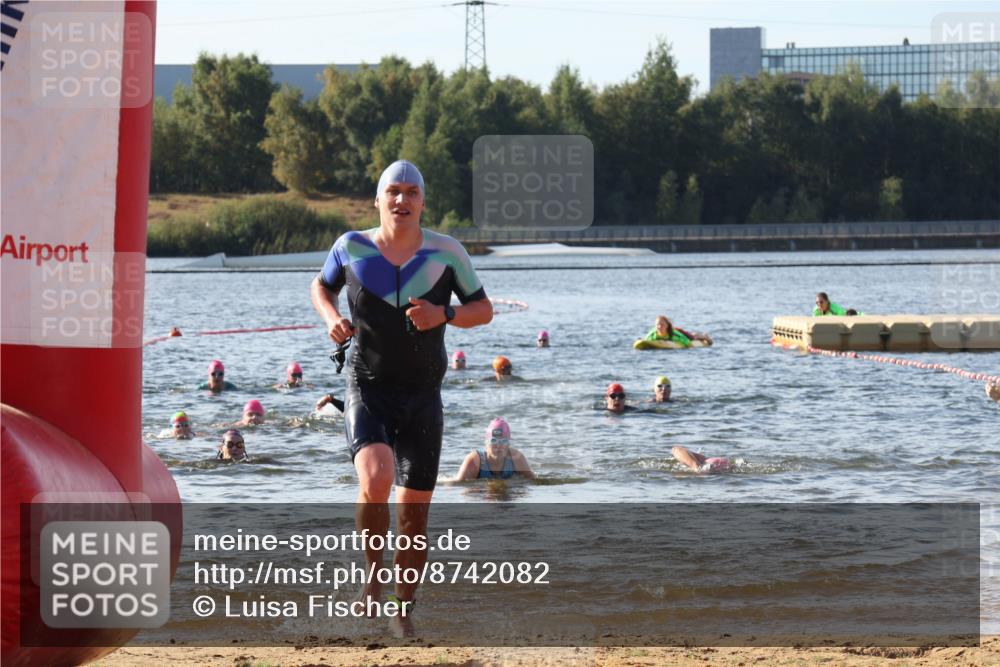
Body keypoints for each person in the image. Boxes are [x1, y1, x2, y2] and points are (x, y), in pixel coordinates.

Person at [310, 159, 493, 628]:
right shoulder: (349, 246)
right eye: (393, 191)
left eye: (412, 192)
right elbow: (321, 287)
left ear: (423, 202)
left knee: (413, 519)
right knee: (375, 476)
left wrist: (445, 315)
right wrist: (332, 319)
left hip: (422, 396)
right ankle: (373, 577)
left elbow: (483, 308)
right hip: (367, 386)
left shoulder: (447, 252)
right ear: (378, 199)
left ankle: (403, 612)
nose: (402, 200)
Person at [454, 418, 534, 480]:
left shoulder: (516, 458)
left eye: (503, 441)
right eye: (493, 440)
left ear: (508, 444)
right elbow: (457, 485)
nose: (498, 446)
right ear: (486, 443)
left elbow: (533, 481)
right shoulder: (474, 460)